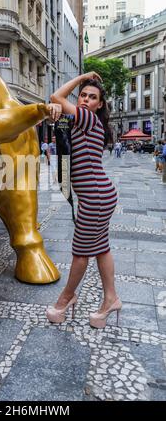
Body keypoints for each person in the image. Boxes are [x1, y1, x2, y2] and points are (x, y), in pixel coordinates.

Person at [46, 72, 122, 329]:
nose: (86, 100)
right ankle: (111, 298)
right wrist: (58, 108)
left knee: (80, 253)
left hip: (95, 197)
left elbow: (56, 96)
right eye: (83, 96)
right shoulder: (78, 121)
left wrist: (81, 79)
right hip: (99, 195)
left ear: (99, 105)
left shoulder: (88, 119)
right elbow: (57, 106)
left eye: (92, 97)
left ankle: (66, 298)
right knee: (101, 248)